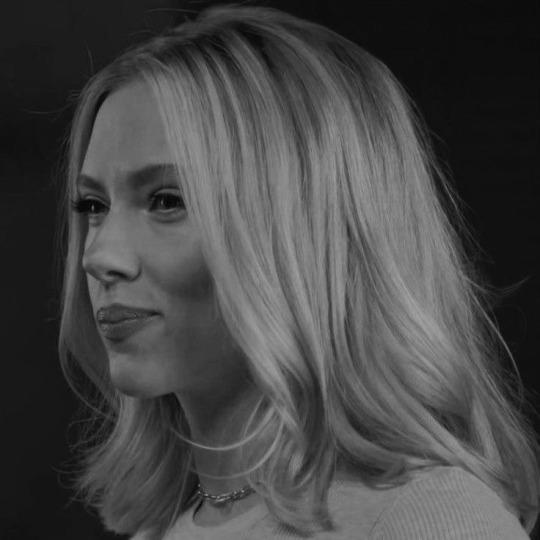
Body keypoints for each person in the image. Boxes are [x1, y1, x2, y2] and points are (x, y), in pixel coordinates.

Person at [54, 2, 540, 539]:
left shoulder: (426, 519)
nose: (98, 255)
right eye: (92, 205)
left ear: (303, 231)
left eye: (167, 200)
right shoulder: (162, 527)